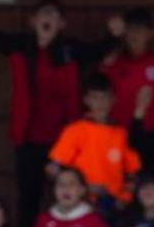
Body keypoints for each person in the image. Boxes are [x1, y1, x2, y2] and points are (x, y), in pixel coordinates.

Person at [0, 0, 121, 227]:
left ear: (62, 24)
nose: (48, 19)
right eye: (44, 14)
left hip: (65, 141)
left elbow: (98, 49)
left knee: (71, 194)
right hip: (28, 139)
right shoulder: (19, 45)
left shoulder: (69, 50)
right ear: (33, 21)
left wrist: (114, 35)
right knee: (29, 197)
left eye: (54, 15)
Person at [48, 73, 141, 210]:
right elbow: (52, 169)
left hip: (114, 205)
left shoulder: (122, 133)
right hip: (80, 203)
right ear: (86, 100)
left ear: (113, 99)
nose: (100, 103)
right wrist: (82, 188)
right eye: (95, 97)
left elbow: (132, 173)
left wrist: (124, 199)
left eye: (105, 97)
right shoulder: (75, 130)